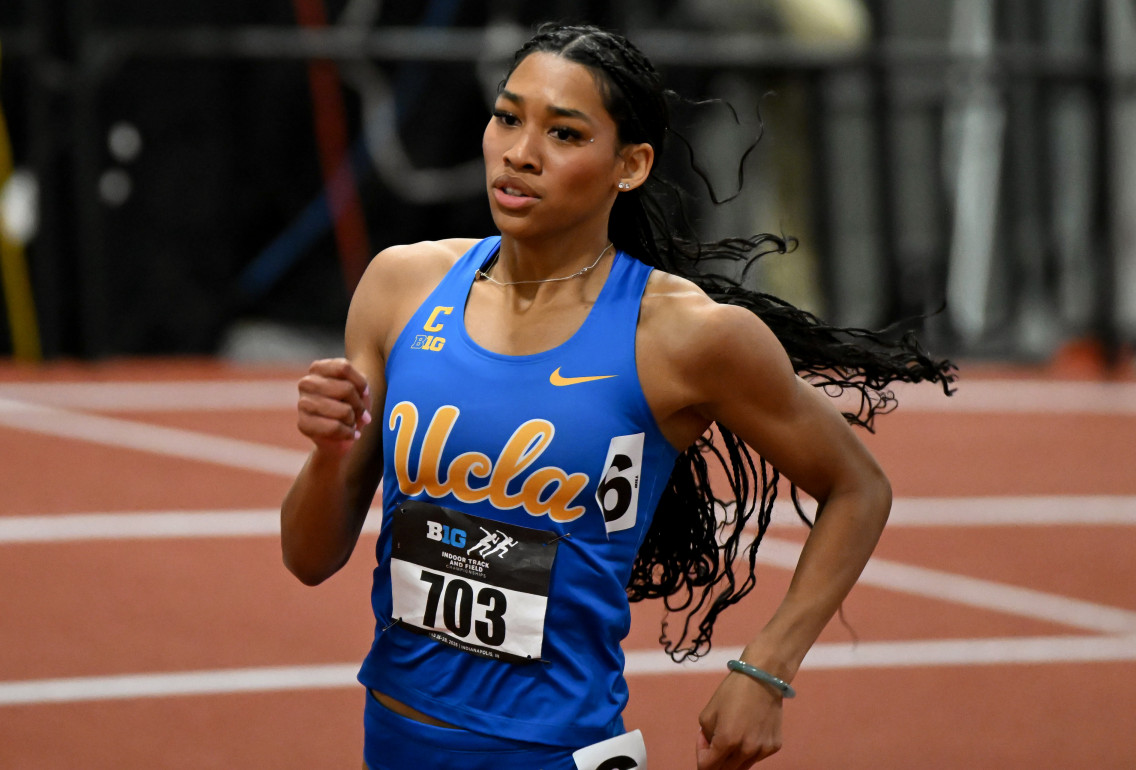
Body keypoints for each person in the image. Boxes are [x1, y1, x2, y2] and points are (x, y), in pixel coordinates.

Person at [280, 22, 953, 770]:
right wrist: (326, 453)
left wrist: (766, 671)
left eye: (563, 133)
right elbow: (308, 558)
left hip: (552, 753)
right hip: (393, 743)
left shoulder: (682, 335)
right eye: (507, 117)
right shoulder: (400, 289)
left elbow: (858, 486)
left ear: (629, 166)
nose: (520, 153)